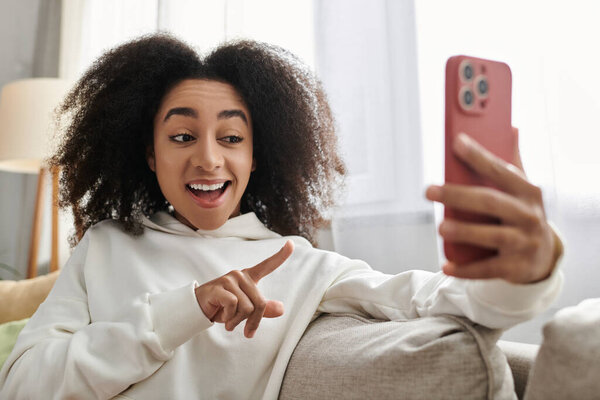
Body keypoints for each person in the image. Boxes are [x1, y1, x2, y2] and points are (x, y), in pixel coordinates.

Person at [0, 33, 562, 399]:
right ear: (149, 154)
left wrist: (523, 271)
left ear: (254, 155)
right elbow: (23, 385)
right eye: (181, 135)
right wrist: (186, 308)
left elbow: (443, 300)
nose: (208, 158)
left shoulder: (298, 265)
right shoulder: (105, 245)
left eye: (231, 137)